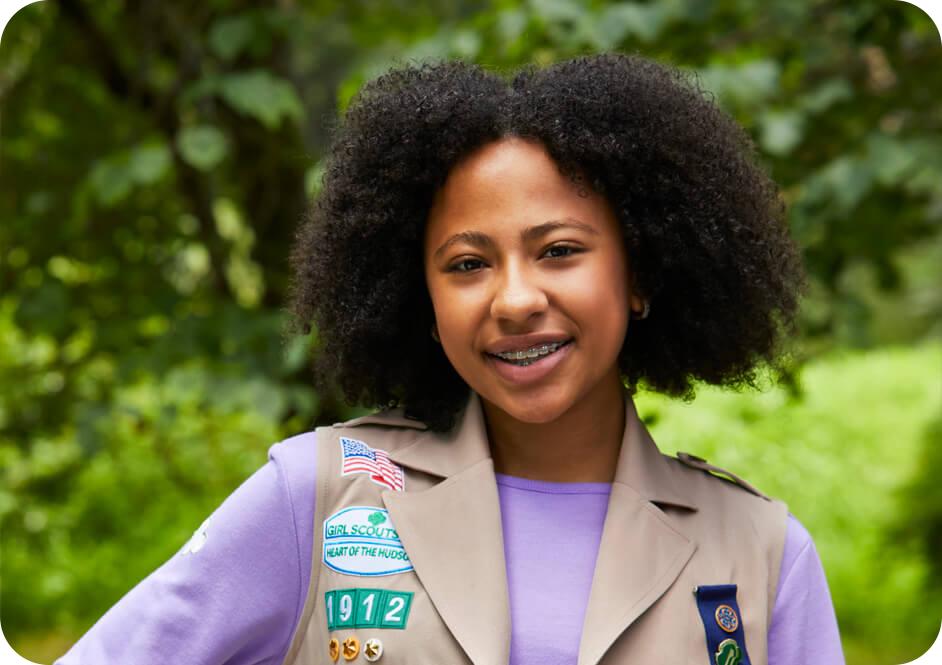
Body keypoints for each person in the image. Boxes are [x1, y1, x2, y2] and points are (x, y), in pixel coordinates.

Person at [56, 54, 844, 665]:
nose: (513, 299)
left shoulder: (761, 552)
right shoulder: (318, 500)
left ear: (639, 275)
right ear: (421, 303)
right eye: (467, 264)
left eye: (560, 250)